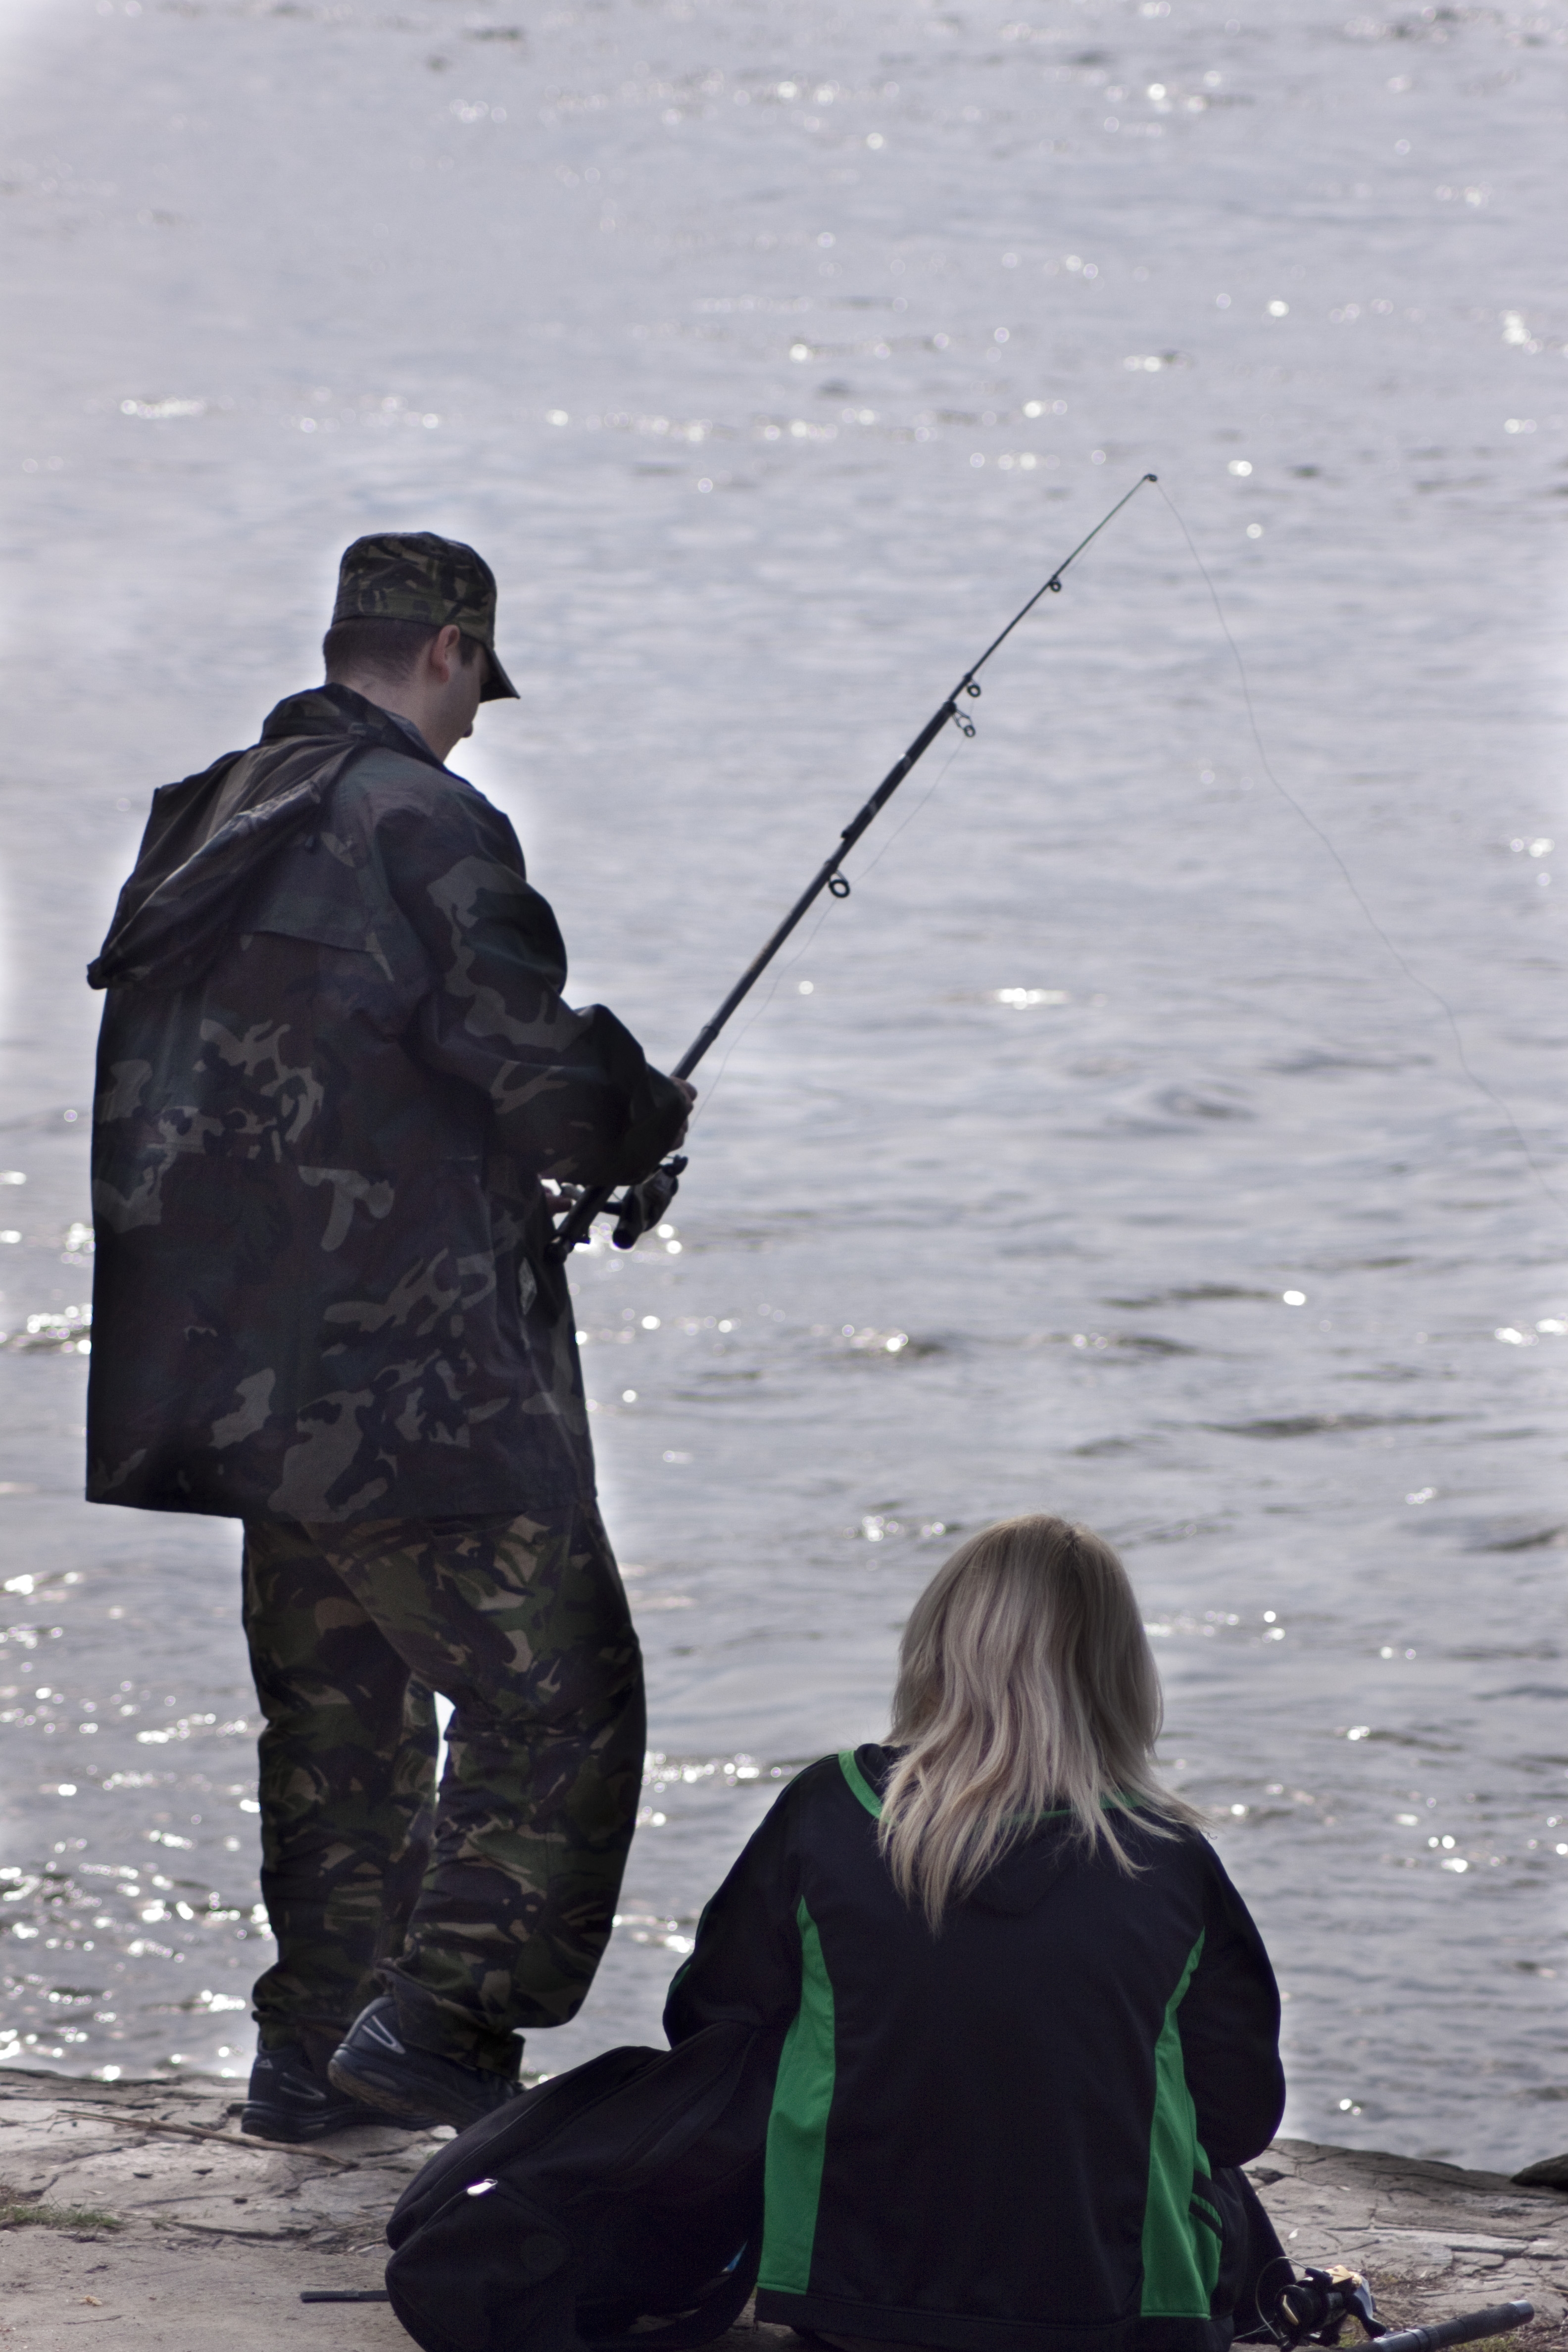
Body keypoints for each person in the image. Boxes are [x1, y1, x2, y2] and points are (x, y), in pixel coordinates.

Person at [86, 532, 693, 2140]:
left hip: (241, 1378)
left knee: (340, 1706)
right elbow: (538, 1080)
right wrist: (640, 1113)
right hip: (412, 1385)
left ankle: (309, 2054)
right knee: (563, 1692)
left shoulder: (204, 820)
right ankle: (439, 2018)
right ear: (444, 651)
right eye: (476, 685)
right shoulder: (424, 822)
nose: (480, 719)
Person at [661, 1514, 1286, 2352]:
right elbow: (1240, 2114)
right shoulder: (1169, 1860)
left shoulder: (830, 1811)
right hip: (1114, 2319)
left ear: (934, 1645)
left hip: (851, 2307)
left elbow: (710, 2025)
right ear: (1120, 1676)